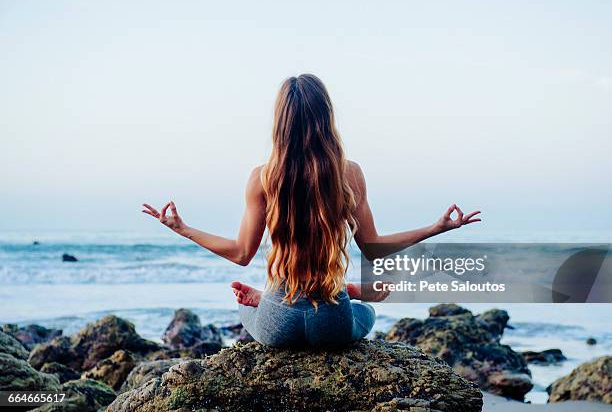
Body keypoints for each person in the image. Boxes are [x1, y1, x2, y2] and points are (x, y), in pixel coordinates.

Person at [142, 74, 481, 348]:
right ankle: (347, 291)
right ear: (326, 117)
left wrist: (181, 228)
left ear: (280, 122)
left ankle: (270, 296)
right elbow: (373, 247)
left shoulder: (262, 178)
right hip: (330, 320)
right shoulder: (349, 174)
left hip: (278, 321)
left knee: (248, 310)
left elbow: (241, 253)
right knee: (366, 314)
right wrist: (436, 228)